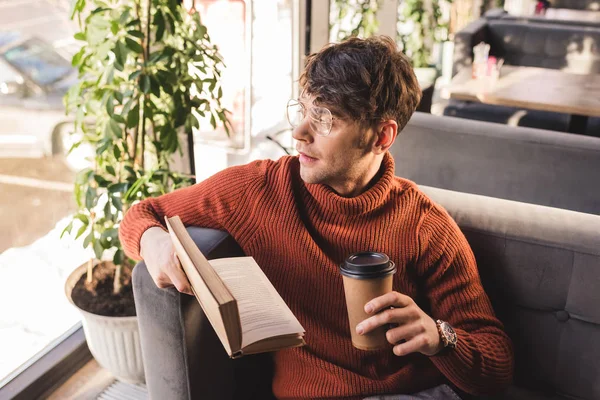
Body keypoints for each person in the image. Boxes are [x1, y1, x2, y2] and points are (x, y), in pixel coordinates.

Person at [119, 35, 514, 399]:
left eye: (325, 119)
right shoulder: (258, 190)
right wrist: (153, 242)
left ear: (381, 136)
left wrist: (439, 336)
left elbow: (497, 366)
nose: (300, 132)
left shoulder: (425, 227)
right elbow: (141, 214)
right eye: (303, 110)